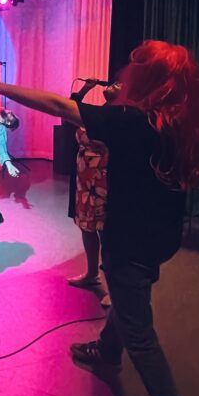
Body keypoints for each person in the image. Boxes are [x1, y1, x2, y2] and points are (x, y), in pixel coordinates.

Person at [0, 41, 199, 396]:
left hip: (132, 241)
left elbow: (61, 105)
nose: (122, 70)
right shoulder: (171, 124)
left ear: (147, 79)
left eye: (132, 67)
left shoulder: (134, 124)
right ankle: (105, 350)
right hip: (157, 240)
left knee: (141, 333)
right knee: (126, 297)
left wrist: (0, 86)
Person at [67, 79, 121, 307]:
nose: (112, 84)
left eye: (119, 84)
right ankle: (91, 275)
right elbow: (70, 108)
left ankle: (114, 290)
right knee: (86, 227)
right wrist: (86, 88)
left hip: (105, 179)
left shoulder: (120, 115)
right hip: (84, 178)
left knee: (107, 233)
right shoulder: (99, 112)